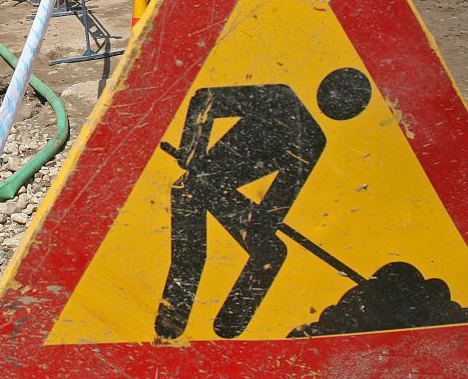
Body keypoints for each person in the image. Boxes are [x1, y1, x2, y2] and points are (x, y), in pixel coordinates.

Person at [155, 68, 371, 340]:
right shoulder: (281, 98)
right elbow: (205, 98)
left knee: (272, 252)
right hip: (196, 183)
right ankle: (171, 322)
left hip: (217, 189)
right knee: (191, 251)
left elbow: (278, 202)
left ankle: (229, 326)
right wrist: (192, 148)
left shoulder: (314, 141)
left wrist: (264, 222)